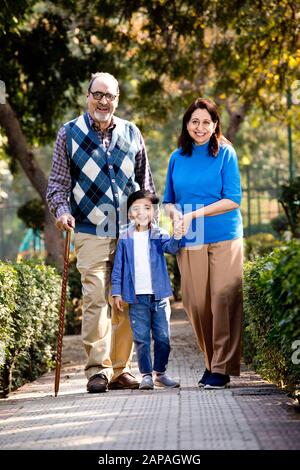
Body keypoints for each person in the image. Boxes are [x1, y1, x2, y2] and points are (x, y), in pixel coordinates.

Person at [47, 72, 155, 393]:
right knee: (96, 298)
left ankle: (121, 368)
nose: (103, 101)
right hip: (89, 229)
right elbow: (57, 184)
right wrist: (62, 211)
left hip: (128, 230)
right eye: (98, 94)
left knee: (126, 301)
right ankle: (98, 369)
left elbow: (144, 183)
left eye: (110, 96)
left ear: (117, 99)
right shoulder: (69, 134)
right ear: (87, 96)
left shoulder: (132, 132)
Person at [163, 98, 243, 389]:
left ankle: (221, 368)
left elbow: (233, 199)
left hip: (224, 234)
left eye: (206, 122)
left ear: (215, 125)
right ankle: (210, 362)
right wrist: (176, 215)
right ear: (187, 124)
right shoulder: (177, 157)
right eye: (195, 121)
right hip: (191, 237)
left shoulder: (226, 153)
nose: (200, 127)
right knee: (197, 304)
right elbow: (168, 201)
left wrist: (194, 212)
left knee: (222, 298)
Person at [111, 190, 183, 390]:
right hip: (136, 299)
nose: (142, 212)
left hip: (158, 296)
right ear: (129, 214)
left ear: (154, 211)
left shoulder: (159, 234)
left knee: (163, 338)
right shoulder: (125, 238)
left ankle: (160, 373)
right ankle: (146, 376)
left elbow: (172, 248)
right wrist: (116, 292)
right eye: (136, 208)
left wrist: (177, 235)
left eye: (147, 207)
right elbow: (118, 268)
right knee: (141, 339)